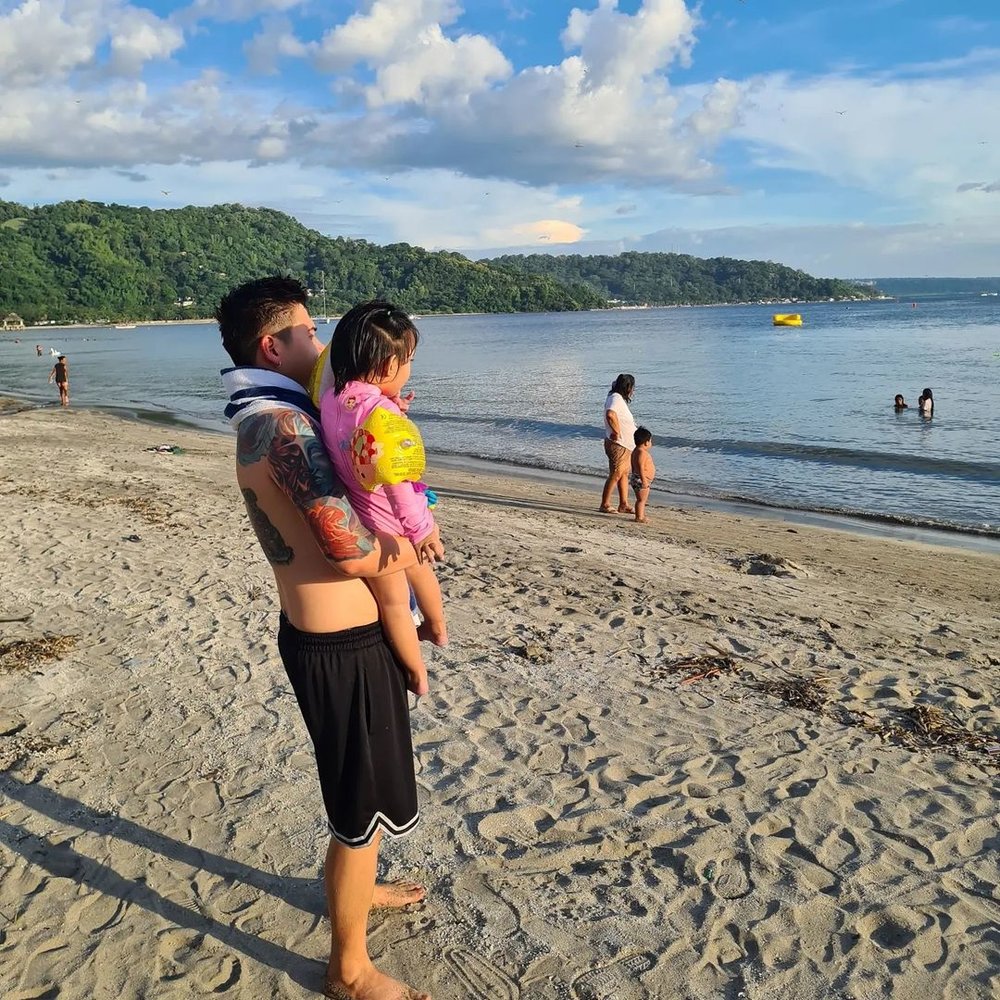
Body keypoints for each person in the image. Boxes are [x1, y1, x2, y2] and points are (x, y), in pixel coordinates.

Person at [216, 277, 431, 1000]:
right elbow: (347, 548)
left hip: (334, 635)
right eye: (309, 331)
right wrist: (412, 550)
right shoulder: (282, 427)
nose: (321, 341)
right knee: (356, 811)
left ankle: (358, 892)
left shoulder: (273, 414)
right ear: (273, 346)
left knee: (359, 800)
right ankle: (348, 968)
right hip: (336, 647)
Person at [320, 302, 447, 700]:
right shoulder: (379, 412)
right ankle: (423, 660)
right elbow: (396, 481)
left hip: (361, 513)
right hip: (393, 518)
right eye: (406, 360)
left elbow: (354, 434)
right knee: (404, 589)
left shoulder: (331, 398)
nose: (409, 367)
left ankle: (419, 658)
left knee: (395, 596)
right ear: (385, 367)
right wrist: (422, 530)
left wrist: (394, 406)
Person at [600, 373, 637, 514]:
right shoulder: (615, 398)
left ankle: (623, 504)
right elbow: (610, 414)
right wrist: (616, 431)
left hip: (625, 444)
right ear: (627, 387)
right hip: (618, 444)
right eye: (632, 387)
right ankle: (605, 504)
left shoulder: (617, 398)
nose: (633, 390)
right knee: (616, 473)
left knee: (623, 474)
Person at [630, 427, 656, 524]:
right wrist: (644, 480)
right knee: (641, 500)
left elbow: (633, 465)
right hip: (641, 479)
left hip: (636, 478)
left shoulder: (635, 451)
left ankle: (640, 515)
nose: (651, 443)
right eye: (650, 441)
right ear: (646, 442)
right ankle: (639, 517)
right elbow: (640, 467)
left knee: (640, 499)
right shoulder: (642, 453)